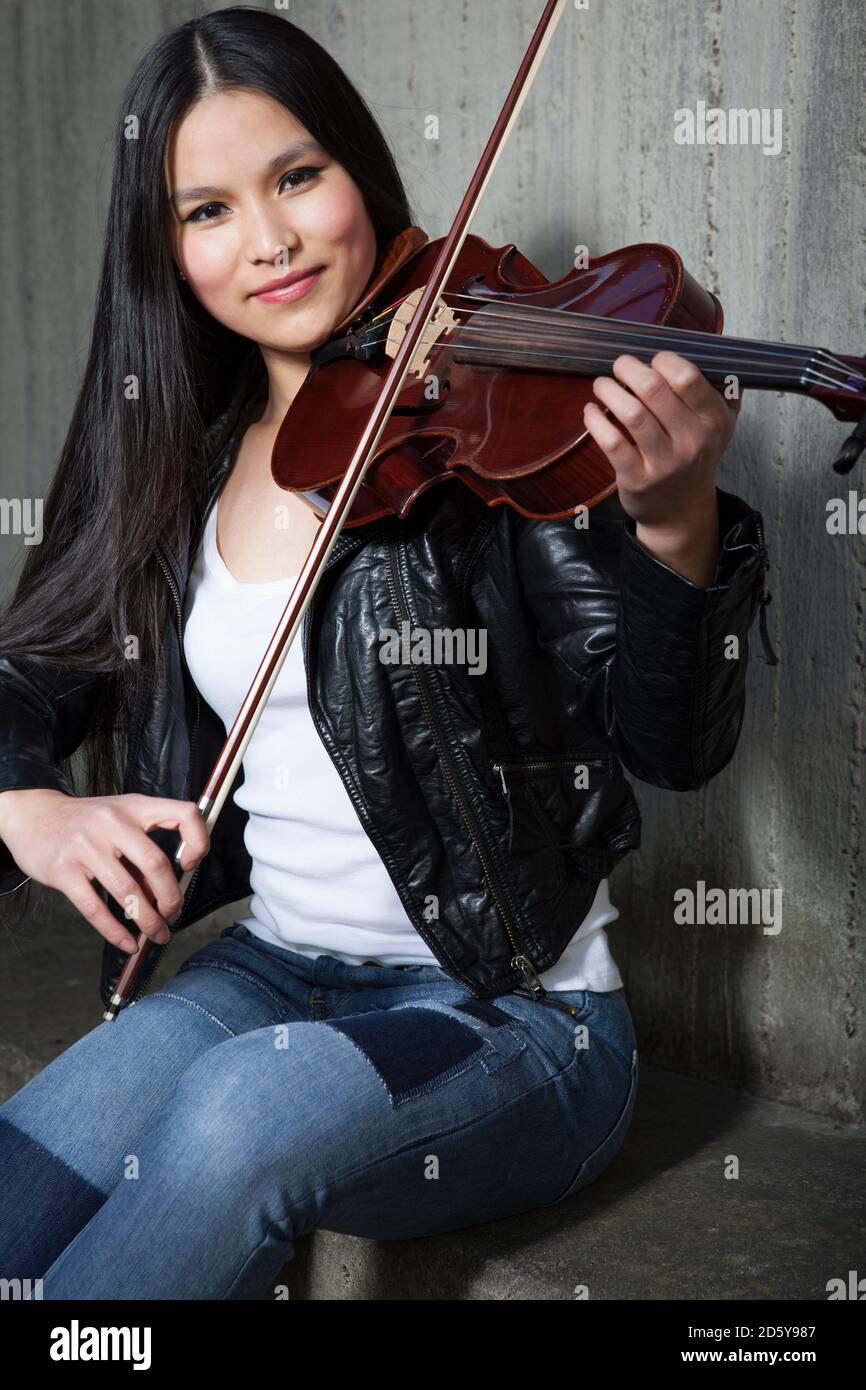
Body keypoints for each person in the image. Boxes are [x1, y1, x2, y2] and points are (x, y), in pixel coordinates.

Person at [0, 7, 769, 1300]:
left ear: (358, 169)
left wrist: (673, 524)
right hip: (276, 972)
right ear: (165, 250)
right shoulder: (179, 459)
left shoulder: (485, 434)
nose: (272, 239)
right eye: (208, 211)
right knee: (33, 1170)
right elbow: (27, 673)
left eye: (298, 176)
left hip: (514, 1014)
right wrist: (27, 806)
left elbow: (669, 739)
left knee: (238, 1115)